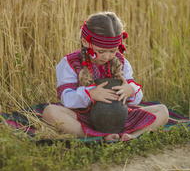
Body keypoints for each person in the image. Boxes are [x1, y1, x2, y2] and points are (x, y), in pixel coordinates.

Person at [43, 12, 169, 142]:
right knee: (50, 112)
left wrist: (130, 90)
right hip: (85, 118)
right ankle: (97, 136)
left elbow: (133, 93)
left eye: (112, 51)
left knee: (162, 110)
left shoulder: (121, 61)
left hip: (120, 117)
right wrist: (91, 95)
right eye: (101, 51)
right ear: (85, 42)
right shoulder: (70, 62)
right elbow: (66, 98)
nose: (107, 56)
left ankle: (132, 136)